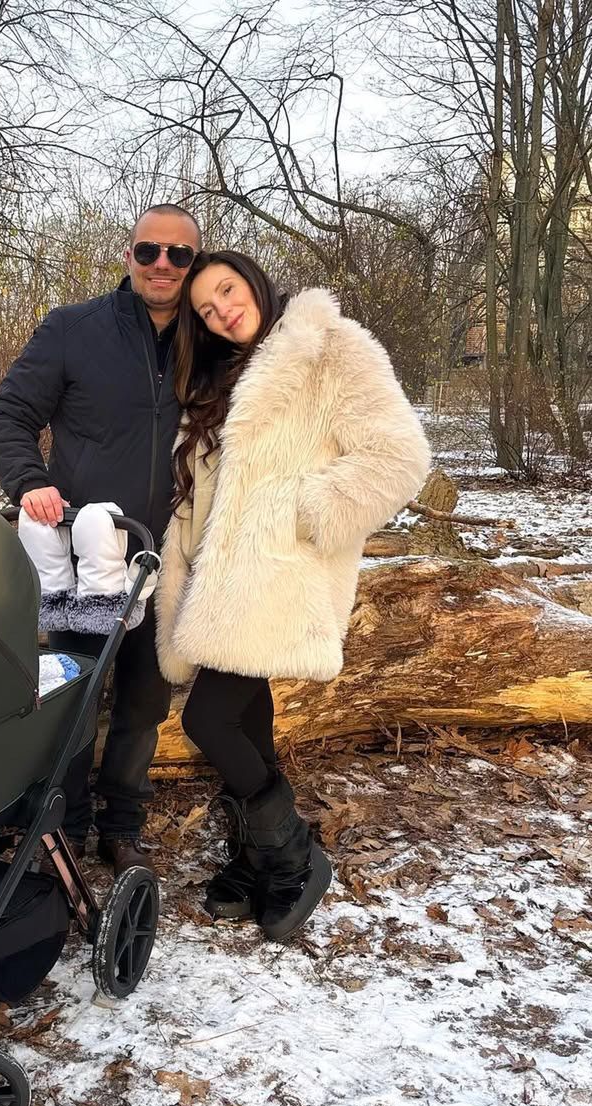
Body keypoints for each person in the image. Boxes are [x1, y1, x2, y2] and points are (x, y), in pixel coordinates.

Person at [155, 250, 431, 940]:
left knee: (207, 722)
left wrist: (309, 509)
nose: (222, 309)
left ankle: (293, 857)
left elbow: (399, 457)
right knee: (245, 721)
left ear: (252, 277)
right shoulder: (224, 376)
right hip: (223, 577)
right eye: (207, 311)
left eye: (226, 290)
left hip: (281, 568)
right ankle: (253, 863)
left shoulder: (331, 346)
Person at [0, 204, 203, 874]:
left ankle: (122, 827)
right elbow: (9, 412)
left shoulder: (211, 342)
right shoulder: (73, 329)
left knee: (143, 702)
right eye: (148, 251)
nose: (162, 264)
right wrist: (29, 482)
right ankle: (63, 828)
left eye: (179, 255)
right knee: (74, 697)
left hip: (172, 556)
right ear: (128, 254)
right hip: (87, 559)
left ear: (195, 264)